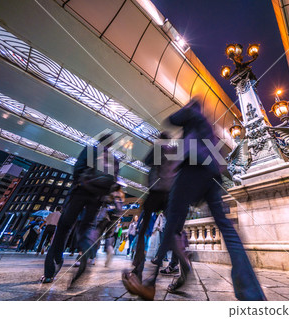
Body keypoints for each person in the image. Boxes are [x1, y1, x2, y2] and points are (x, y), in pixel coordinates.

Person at [126, 100, 267, 301]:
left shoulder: (192, 116)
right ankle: (251, 291)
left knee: (171, 224)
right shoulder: (207, 125)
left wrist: (187, 109)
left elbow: (172, 120)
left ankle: (150, 284)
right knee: (225, 226)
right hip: (211, 174)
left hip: (192, 169)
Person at [41, 133, 120, 283]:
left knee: (64, 228)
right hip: (97, 199)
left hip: (80, 192)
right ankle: (86, 251)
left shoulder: (91, 150)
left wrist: (81, 182)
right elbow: (114, 182)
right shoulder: (114, 160)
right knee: (87, 227)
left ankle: (51, 270)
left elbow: (78, 169)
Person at [122, 132, 178, 284]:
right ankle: (180, 261)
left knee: (143, 227)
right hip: (169, 194)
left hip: (155, 192)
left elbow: (147, 161)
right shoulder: (175, 151)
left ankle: (138, 266)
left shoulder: (158, 147)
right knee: (173, 230)